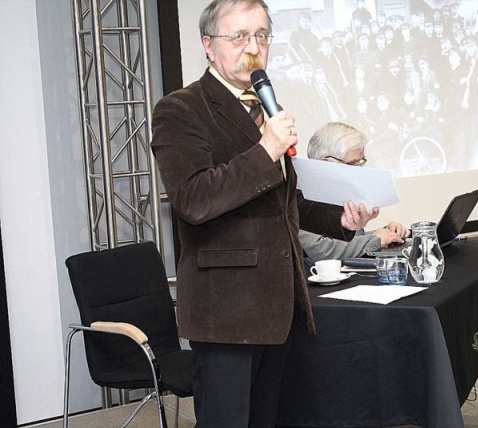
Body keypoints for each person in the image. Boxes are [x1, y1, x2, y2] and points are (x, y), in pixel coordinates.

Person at [150, 1, 378, 426]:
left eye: (261, 35)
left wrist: (341, 220)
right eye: (238, 36)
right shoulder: (180, 109)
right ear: (208, 45)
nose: (253, 47)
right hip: (226, 312)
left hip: (279, 306)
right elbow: (194, 200)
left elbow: (284, 203)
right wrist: (267, 149)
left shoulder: (263, 106)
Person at [299, 122, 409, 263]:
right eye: (352, 164)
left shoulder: (340, 189)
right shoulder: (300, 195)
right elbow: (322, 250)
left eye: (360, 163)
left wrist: (387, 233)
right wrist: (376, 239)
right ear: (325, 163)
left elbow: (350, 241)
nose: (359, 171)